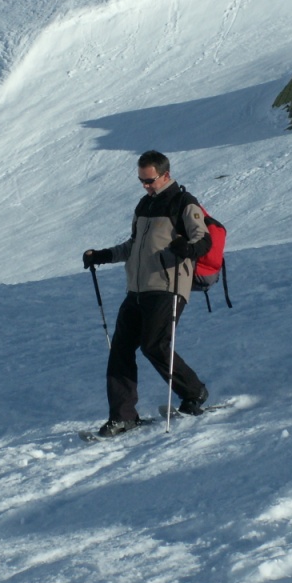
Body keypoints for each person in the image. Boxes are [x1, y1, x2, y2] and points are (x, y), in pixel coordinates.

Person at [83, 150, 211, 437]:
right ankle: (123, 416)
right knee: (120, 350)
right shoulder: (144, 205)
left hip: (167, 287)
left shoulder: (183, 202)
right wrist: (102, 255)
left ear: (165, 175)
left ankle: (194, 392)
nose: (145, 186)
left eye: (149, 180)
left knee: (154, 345)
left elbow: (203, 240)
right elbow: (132, 246)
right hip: (137, 289)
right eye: (141, 180)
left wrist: (187, 248)